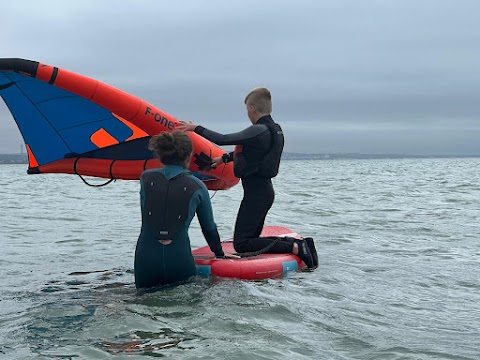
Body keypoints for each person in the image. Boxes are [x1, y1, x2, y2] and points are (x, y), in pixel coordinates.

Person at [178, 87, 318, 270]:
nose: (247, 114)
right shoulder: (273, 130)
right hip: (263, 193)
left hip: (257, 196)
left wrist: (195, 128)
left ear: (252, 108)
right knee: (249, 239)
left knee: (242, 244)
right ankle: (298, 244)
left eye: (247, 110)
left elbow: (223, 139)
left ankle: (295, 246)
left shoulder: (258, 130)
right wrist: (223, 159)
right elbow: (254, 156)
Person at [135, 130, 238, 289]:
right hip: (179, 260)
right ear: (189, 156)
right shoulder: (198, 186)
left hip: (146, 261)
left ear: (160, 154)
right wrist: (219, 254)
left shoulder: (146, 178)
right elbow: (209, 228)